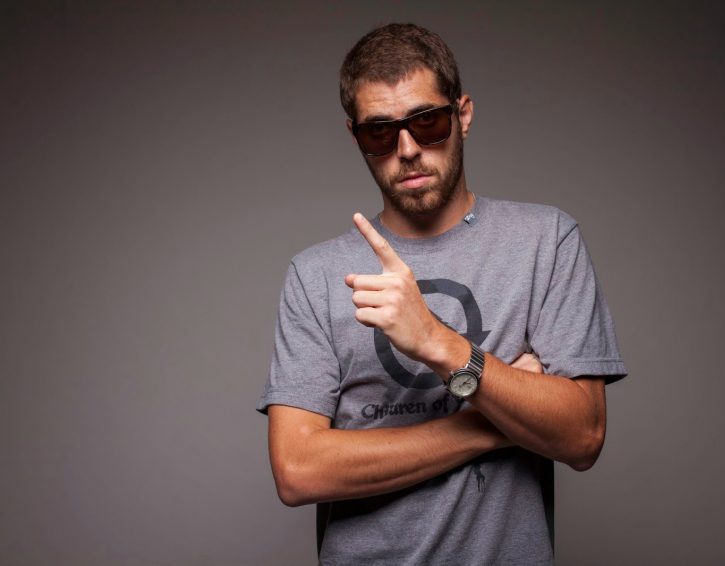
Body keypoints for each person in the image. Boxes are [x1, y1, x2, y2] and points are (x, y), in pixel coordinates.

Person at [256, 22, 627, 565]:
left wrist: (436, 341)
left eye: (427, 122)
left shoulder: (545, 241)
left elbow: (583, 436)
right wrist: (488, 425)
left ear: (463, 114)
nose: (407, 150)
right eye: (380, 133)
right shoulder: (316, 275)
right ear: (356, 139)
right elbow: (298, 470)